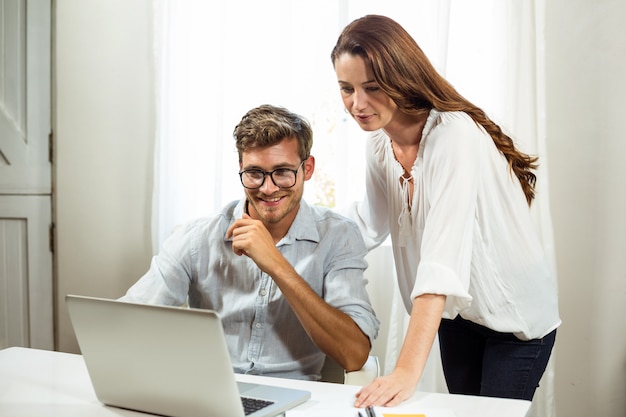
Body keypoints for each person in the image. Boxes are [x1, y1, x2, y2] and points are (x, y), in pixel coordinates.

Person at [330, 15, 560, 406]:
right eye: (346, 89)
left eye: (371, 87)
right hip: (459, 318)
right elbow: (367, 225)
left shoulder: (454, 135)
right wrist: (289, 227)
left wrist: (404, 370)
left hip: (516, 323)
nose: (358, 103)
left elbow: (442, 259)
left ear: (401, 77)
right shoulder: (380, 147)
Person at [120, 104, 379, 380]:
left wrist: (276, 264)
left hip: (296, 400)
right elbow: (126, 324)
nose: (268, 188)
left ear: (308, 168)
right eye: (255, 173)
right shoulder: (197, 237)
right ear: (241, 168)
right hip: (209, 395)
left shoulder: (339, 236)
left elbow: (354, 354)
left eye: (282, 172)